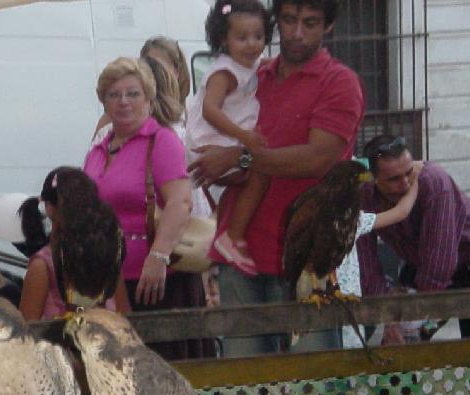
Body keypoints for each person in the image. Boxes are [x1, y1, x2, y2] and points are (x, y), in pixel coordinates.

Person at [189, 0, 365, 357]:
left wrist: (239, 156)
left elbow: (318, 159)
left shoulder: (339, 82)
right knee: (248, 388)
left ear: (328, 26)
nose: (297, 32)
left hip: (308, 257)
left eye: (311, 22)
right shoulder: (254, 77)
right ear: (276, 22)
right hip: (241, 253)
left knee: (317, 386)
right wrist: (221, 164)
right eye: (289, 20)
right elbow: (211, 140)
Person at [84, 57, 213, 360]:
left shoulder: (161, 141)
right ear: (104, 101)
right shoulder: (100, 147)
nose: (123, 102)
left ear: (149, 98)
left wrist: (158, 257)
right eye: (114, 95)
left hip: (157, 282)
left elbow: (181, 202)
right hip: (111, 281)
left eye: (133, 93)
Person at [357, 134, 470, 343]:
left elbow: (438, 266)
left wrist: (408, 318)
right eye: (394, 178)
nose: (404, 183)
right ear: (374, 180)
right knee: (399, 346)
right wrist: (388, 313)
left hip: (468, 265)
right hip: (422, 263)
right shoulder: (365, 194)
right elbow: (366, 264)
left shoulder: (434, 182)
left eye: (409, 172)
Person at [186, 0, 272, 276]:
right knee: (259, 170)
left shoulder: (252, 65)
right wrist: (243, 136)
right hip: (211, 141)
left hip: (225, 141)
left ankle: (227, 230)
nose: (251, 44)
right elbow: (210, 110)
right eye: (242, 37)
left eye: (258, 36)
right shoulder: (224, 72)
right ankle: (231, 236)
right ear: (223, 39)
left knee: (242, 181)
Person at [18, 167, 129, 321]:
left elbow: (26, 331)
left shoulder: (41, 265)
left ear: (49, 207)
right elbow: (126, 316)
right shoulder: (108, 253)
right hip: (109, 339)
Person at [337, 160, 419, 348]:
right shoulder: (352, 221)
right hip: (350, 301)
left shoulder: (324, 222)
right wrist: (414, 181)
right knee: (351, 352)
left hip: (328, 299)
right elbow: (401, 211)